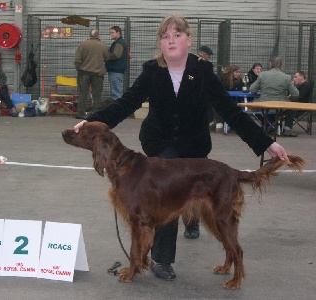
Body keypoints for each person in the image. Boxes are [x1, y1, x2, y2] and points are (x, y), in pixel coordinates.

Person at [71, 14, 289, 282]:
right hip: (160, 144)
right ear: (160, 43)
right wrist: (92, 121)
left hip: (193, 145)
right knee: (163, 197)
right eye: (165, 37)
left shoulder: (203, 71)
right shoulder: (152, 70)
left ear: (189, 39)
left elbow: (231, 112)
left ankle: (192, 217)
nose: (170, 40)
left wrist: (267, 144)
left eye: (176, 35)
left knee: (194, 192)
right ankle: (162, 259)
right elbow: (126, 103)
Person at [74, 29, 110, 119]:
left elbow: (77, 59)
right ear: (98, 35)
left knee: (83, 93)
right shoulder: (103, 45)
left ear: (90, 35)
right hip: (98, 73)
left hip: (84, 72)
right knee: (97, 94)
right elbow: (107, 58)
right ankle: (96, 113)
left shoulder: (83, 44)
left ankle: (81, 113)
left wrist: (79, 68)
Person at [282, 71, 311, 137]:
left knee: (289, 110)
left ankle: (287, 129)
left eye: (295, 77)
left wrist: (290, 97)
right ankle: (275, 127)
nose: (293, 79)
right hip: (296, 105)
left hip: (301, 107)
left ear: (302, 77)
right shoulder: (299, 86)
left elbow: (299, 97)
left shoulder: (305, 86)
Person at [106, 26, 128, 101]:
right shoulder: (118, 42)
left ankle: (118, 110)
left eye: (112, 32)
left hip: (116, 70)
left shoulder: (119, 43)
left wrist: (106, 55)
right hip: (116, 69)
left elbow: (116, 55)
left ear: (118, 33)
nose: (111, 34)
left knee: (116, 93)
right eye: (110, 33)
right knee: (115, 91)